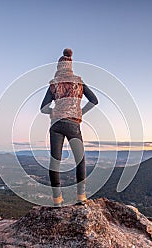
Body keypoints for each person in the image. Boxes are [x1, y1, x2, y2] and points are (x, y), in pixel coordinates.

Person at [40, 48, 98, 206]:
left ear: (58, 68)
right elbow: (94, 100)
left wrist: (55, 111)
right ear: (70, 66)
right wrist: (80, 112)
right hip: (73, 124)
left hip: (56, 124)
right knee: (80, 160)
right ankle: (81, 197)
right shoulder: (79, 82)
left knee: (55, 161)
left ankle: (57, 200)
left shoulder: (54, 84)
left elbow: (43, 108)